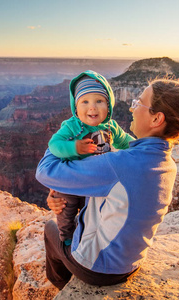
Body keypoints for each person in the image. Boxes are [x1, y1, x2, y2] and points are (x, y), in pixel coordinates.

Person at [36, 77, 179, 289]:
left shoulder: (118, 165)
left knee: (50, 229)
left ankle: (62, 286)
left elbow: (45, 171)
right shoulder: (166, 164)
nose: (132, 109)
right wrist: (64, 188)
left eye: (139, 103)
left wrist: (61, 142)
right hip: (130, 262)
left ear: (156, 119)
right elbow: (119, 193)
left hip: (97, 268)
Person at [48, 70, 134, 246]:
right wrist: (74, 148)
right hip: (73, 181)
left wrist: (142, 148)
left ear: (109, 105)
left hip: (98, 181)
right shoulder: (72, 127)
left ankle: (97, 235)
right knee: (66, 206)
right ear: (76, 108)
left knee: (99, 211)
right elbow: (54, 144)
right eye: (85, 102)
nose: (92, 107)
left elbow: (126, 141)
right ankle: (66, 237)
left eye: (99, 101)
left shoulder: (111, 126)